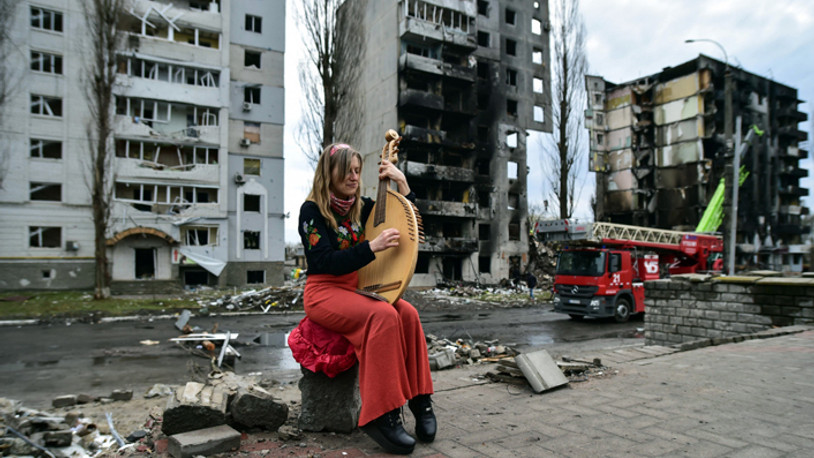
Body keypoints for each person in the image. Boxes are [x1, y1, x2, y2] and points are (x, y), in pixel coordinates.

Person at [298, 142, 436, 455]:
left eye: (358, 171)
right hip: (323, 292)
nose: (354, 177)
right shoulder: (312, 211)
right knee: (383, 315)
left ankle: (420, 401)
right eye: (347, 170)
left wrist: (402, 182)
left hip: (355, 289)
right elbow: (323, 262)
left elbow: (408, 221)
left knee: (408, 313)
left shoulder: (362, 208)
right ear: (329, 172)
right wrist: (371, 247)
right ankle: (381, 415)